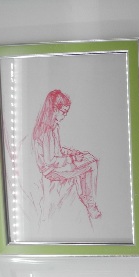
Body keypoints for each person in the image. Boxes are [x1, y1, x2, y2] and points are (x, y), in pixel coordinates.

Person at [32, 89, 101, 221]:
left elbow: (57, 150)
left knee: (88, 158)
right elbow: (50, 160)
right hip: (52, 171)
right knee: (91, 164)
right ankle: (90, 204)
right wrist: (73, 159)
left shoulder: (53, 126)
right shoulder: (46, 130)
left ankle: (85, 197)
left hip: (56, 167)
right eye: (64, 112)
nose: (65, 115)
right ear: (54, 109)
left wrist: (72, 153)